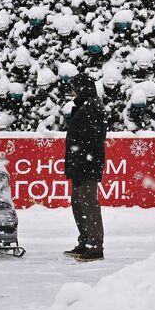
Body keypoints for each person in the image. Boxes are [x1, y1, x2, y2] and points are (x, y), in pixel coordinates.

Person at [63, 73, 107, 261]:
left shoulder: (92, 107)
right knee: (79, 204)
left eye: (74, 87)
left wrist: (82, 164)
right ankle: (85, 242)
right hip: (80, 164)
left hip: (86, 165)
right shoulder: (85, 106)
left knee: (88, 205)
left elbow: (89, 140)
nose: (71, 91)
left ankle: (95, 246)